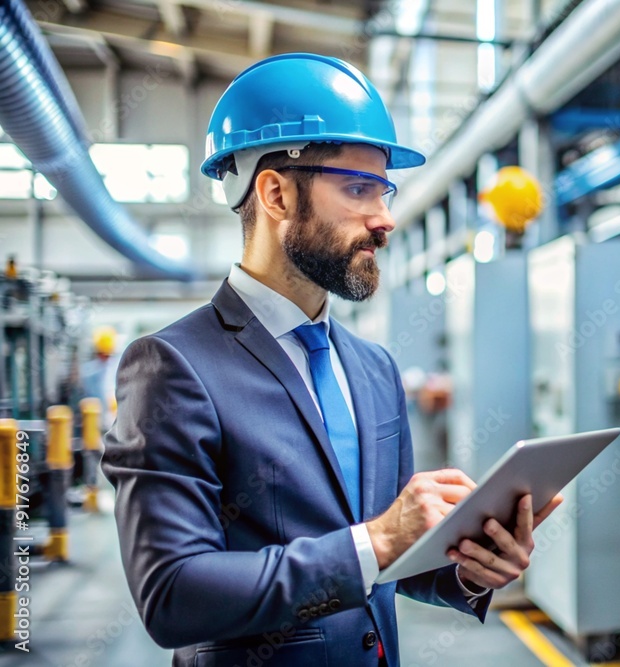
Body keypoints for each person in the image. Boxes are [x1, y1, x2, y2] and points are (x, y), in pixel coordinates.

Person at [101, 53, 561, 667]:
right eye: (357, 189)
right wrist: (377, 540)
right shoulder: (173, 367)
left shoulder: (373, 369)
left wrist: (469, 567)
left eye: (383, 190)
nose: (385, 219)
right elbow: (173, 595)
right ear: (275, 194)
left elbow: (389, 556)